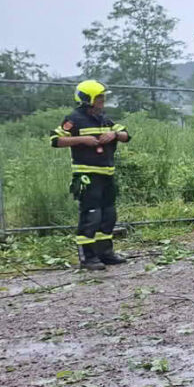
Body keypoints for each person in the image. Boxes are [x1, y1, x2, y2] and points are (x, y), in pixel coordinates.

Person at [51, 81, 131, 270]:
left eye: (103, 97)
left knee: (108, 215)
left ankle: (105, 253)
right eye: (99, 97)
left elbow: (126, 135)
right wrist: (82, 140)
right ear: (88, 99)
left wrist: (114, 134)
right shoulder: (73, 119)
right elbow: (55, 140)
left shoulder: (103, 118)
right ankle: (87, 257)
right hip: (87, 175)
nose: (103, 100)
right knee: (91, 216)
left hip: (107, 175)